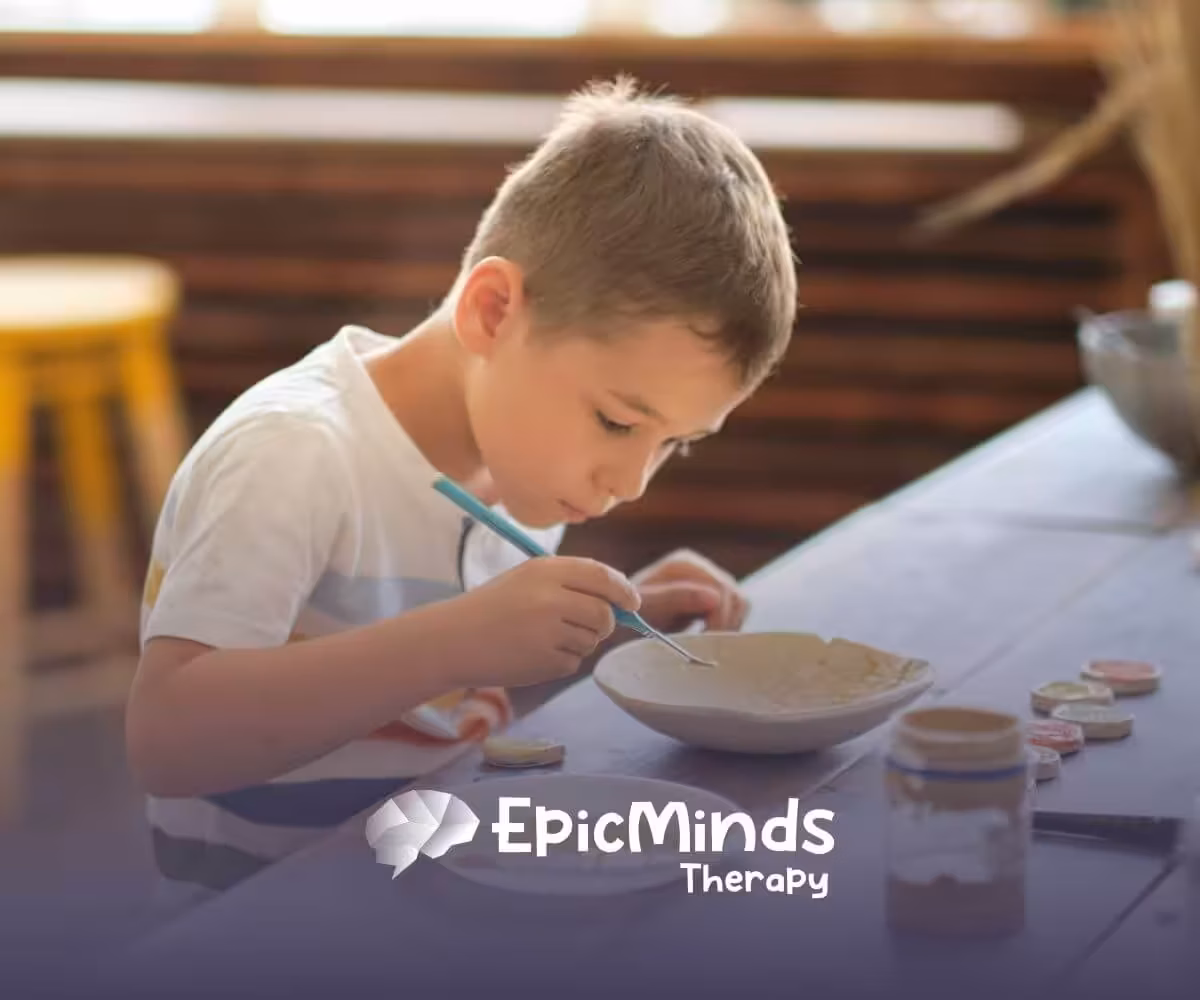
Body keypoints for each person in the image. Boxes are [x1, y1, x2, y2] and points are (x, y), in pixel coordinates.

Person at [124, 76, 798, 905]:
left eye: (676, 446)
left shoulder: (513, 465)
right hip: (270, 930)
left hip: (431, 892)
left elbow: (421, 703)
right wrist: (458, 639)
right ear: (492, 311)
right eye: (620, 423)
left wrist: (607, 616)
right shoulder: (295, 453)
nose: (627, 484)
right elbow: (170, 739)